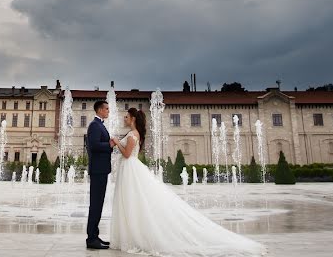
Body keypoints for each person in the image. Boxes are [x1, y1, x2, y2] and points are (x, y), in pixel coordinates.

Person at [110, 108, 265, 256]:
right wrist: (114, 142)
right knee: (130, 201)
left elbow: (128, 154)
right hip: (130, 169)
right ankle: (131, 234)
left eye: (126, 117)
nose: (124, 118)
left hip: (130, 168)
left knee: (131, 200)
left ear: (133, 119)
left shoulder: (132, 135)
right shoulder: (132, 133)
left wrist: (117, 142)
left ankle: (134, 236)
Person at [85, 100, 115, 250]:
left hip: (101, 170)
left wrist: (108, 144)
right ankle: (91, 239)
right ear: (100, 110)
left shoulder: (100, 125)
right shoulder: (95, 126)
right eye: (107, 109)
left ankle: (94, 236)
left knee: (98, 204)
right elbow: (94, 145)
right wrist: (109, 145)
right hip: (98, 170)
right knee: (96, 204)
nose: (108, 111)